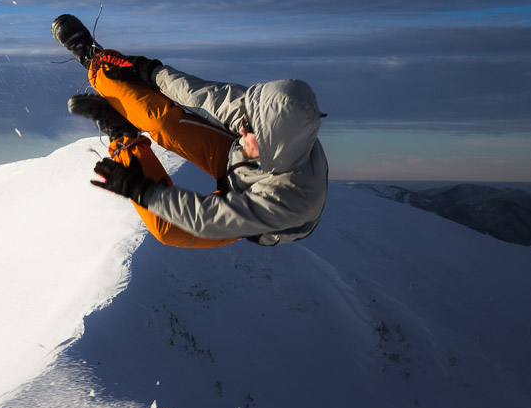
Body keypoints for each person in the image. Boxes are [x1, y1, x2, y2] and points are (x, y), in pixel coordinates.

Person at [52, 13, 328, 248]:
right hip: (243, 164)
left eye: (250, 131)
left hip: (251, 212)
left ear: (275, 144)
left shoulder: (289, 201)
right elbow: (199, 95)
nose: (240, 131)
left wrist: (138, 189)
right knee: (165, 124)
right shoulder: (259, 112)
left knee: (169, 229)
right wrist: (148, 70)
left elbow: (205, 217)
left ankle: (122, 136)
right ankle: (94, 59)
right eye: (245, 122)